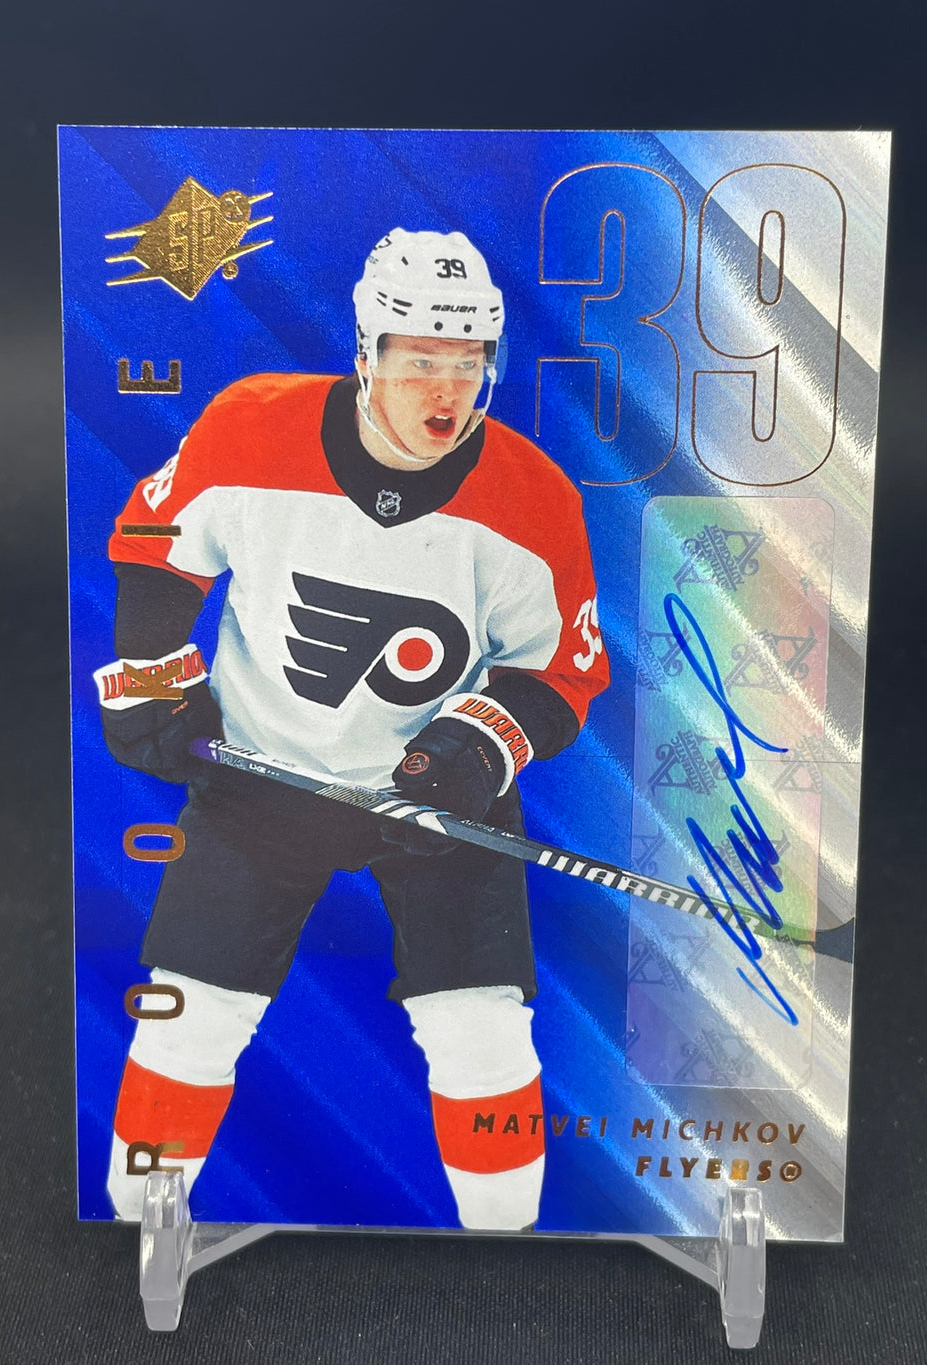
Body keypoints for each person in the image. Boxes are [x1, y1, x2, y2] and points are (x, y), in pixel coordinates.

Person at [95, 228, 610, 1229]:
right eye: (420, 360)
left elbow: (562, 667)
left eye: (468, 363)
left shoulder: (534, 496)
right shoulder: (251, 425)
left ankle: (507, 1251)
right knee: (190, 1010)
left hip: (433, 803)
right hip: (259, 776)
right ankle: (126, 1238)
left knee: (482, 1031)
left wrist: (477, 746)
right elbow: (157, 539)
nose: (447, 391)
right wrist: (151, 680)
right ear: (366, 353)